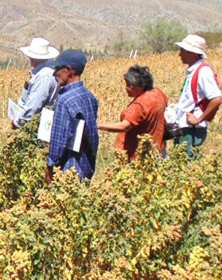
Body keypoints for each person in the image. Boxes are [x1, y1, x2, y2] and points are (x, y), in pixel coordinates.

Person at [46, 50, 99, 181]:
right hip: (86, 167)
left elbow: (59, 141)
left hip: (68, 170)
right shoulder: (89, 97)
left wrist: (49, 168)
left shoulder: (64, 100)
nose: (54, 73)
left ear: (68, 71)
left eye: (57, 69)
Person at [98, 65, 168, 160]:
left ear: (141, 85)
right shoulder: (158, 93)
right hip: (157, 149)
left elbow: (124, 126)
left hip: (140, 155)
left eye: (129, 85)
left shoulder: (139, 104)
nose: (126, 88)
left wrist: (98, 125)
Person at [172, 34, 222, 157]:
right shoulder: (194, 70)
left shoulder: (203, 71)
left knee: (186, 166)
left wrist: (198, 119)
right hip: (186, 127)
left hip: (192, 129)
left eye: (183, 51)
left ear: (193, 53)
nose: (180, 54)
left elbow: (217, 99)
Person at [12, 37, 60, 129]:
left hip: (38, 126)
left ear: (32, 57)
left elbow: (33, 107)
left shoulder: (42, 77)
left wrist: (17, 123)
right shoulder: (50, 70)